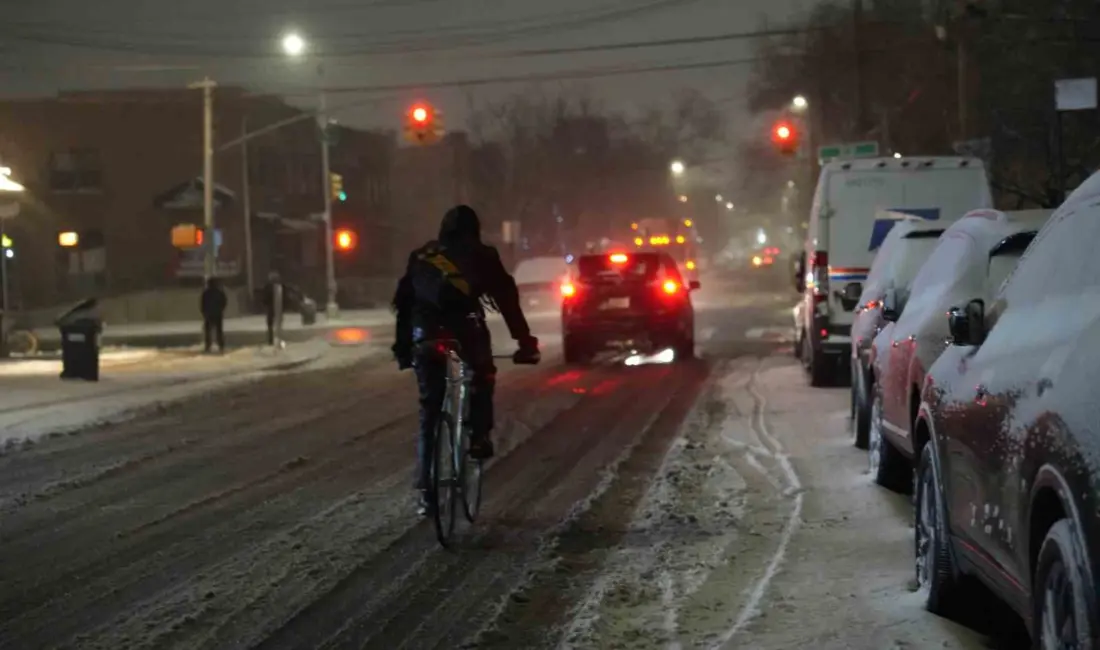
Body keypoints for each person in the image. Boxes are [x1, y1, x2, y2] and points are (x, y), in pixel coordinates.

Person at [392, 205, 540, 514]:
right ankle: (479, 437)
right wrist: (525, 342)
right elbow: (506, 299)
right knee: (482, 372)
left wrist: (403, 348)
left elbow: (404, 304)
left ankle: (426, 491)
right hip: (465, 330)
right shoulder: (483, 255)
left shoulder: (422, 255)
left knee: (429, 410)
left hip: (425, 333)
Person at [200, 277, 227, 353]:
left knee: (208, 330)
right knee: (219, 330)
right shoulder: (219, 292)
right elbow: (224, 302)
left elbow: (203, 304)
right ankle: (221, 345)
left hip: (209, 314)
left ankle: (208, 345)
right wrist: (221, 309)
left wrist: (204, 312)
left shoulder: (206, 293)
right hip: (218, 313)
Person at [261, 271, 284, 347]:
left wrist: (265, 304)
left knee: (270, 324)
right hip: (278, 308)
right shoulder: (280, 287)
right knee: (278, 324)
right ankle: (278, 339)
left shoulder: (268, 287)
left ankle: (271, 340)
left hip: (270, 308)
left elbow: (264, 297)